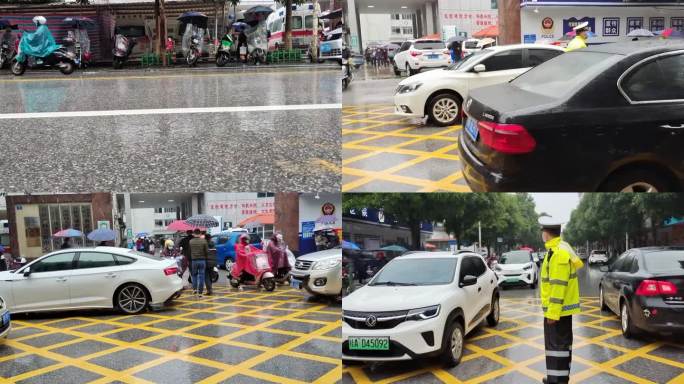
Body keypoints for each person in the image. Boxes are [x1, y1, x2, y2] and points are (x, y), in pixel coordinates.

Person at [539, 219, 582, 384]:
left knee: (557, 348)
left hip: (557, 311)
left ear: (547, 234)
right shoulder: (559, 248)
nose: (542, 235)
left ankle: (558, 380)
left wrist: (552, 313)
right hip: (560, 311)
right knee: (559, 347)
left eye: (543, 232)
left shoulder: (558, 253)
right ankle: (555, 377)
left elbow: (558, 285)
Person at [189, 229, 208, 297]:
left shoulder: (190, 241)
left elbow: (190, 251)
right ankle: (200, 292)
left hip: (194, 261)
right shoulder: (204, 241)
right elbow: (206, 251)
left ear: (194, 234)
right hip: (202, 260)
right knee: (202, 276)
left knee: (194, 275)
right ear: (200, 234)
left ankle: (194, 289)